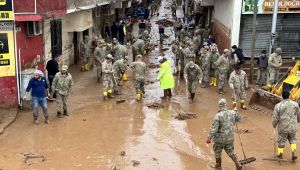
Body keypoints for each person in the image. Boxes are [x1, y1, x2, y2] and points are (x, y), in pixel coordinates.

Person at [206, 98, 242, 170]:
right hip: (230, 138)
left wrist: (209, 138)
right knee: (230, 151)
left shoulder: (218, 116)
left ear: (219, 106)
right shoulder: (232, 112)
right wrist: (236, 110)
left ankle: (218, 165)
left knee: (217, 150)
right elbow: (239, 118)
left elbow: (214, 129)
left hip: (220, 139)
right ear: (226, 105)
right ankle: (237, 163)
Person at [272, 91, 300, 161]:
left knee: (281, 140)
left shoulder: (278, 105)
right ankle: (293, 154)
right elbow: (298, 114)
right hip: (293, 126)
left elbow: (275, 117)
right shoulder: (295, 104)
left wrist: (274, 124)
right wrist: (298, 120)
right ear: (289, 96)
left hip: (283, 127)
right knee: (293, 140)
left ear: (282, 96)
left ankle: (280, 155)